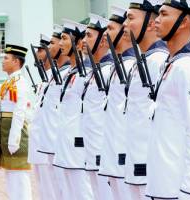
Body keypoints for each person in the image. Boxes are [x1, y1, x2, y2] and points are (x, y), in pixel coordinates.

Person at [146, 0, 190, 199]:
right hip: (160, 182)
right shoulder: (171, 62)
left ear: (183, 22)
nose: (156, 20)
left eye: (164, 14)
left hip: (175, 187)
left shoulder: (187, 67)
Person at [122, 0, 169, 199]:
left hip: (147, 161)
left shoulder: (158, 60)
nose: (125, 24)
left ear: (150, 24)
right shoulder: (144, 60)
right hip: (135, 154)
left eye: (130, 18)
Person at [52, 19, 94, 200]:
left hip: (78, 148)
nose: (61, 44)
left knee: (82, 193)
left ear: (78, 43)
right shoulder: (71, 72)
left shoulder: (87, 73)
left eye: (64, 39)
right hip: (65, 145)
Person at [97, 5, 135, 200]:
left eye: (110, 29)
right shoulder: (117, 66)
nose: (105, 34)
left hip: (124, 153)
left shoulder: (133, 67)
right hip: (112, 150)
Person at [81, 13, 114, 200]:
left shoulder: (109, 70)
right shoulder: (96, 71)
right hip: (91, 149)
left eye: (89, 36)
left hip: (104, 151)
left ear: (103, 41)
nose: (84, 40)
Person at [0, 44, 32, 200]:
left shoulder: (19, 83)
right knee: (11, 175)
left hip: (14, 134)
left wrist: (14, 140)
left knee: (19, 177)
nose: (3, 61)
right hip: (7, 131)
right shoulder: (10, 81)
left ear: (16, 61)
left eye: (6, 58)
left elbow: (19, 113)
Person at [36, 24, 71, 200]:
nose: (48, 48)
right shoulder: (54, 74)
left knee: (62, 189)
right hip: (48, 141)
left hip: (60, 141)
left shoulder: (66, 74)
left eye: (52, 43)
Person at [27, 34, 53, 200]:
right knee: (43, 189)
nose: (38, 55)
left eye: (42, 50)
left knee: (51, 189)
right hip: (38, 143)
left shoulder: (56, 77)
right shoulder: (46, 78)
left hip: (49, 144)